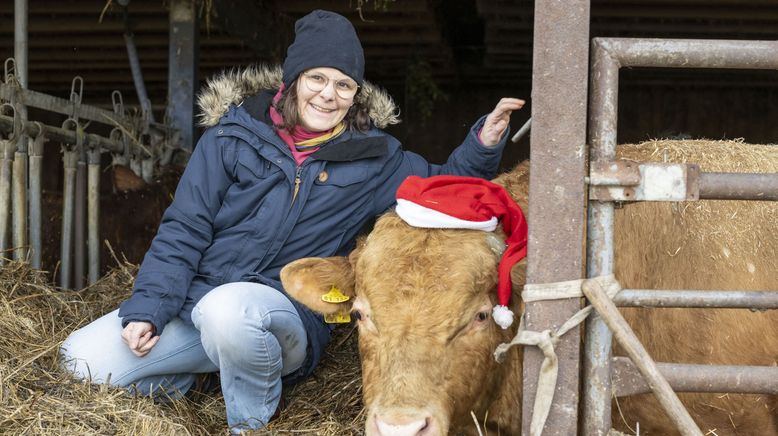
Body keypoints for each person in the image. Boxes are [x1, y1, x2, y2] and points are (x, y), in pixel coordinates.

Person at [60, 9, 524, 434]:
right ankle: (200, 378)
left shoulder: (376, 157)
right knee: (78, 361)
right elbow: (184, 228)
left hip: (286, 316)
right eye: (317, 78)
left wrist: (483, 142)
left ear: (355, 94)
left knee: (232, 311)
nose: (328, 93)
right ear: (293, 79)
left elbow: (443, 189)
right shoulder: (229, 139)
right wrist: (149, 309)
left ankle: (252, 422)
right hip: (198, 305)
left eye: (344, 84)